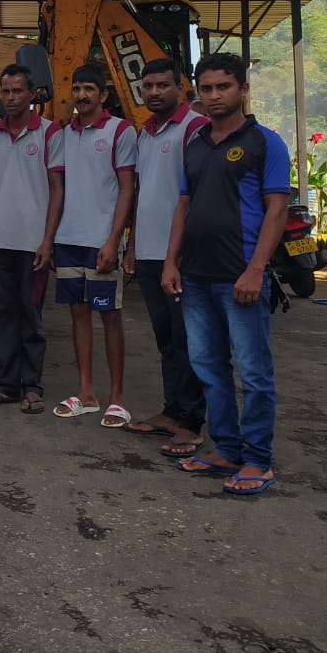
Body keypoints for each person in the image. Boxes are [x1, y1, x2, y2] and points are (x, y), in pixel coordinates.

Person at [163, 53, 289, 495]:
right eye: (206, 87)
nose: (213, 95)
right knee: (208, 368)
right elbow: (184, 205)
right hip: (195, 277)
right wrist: (171, 262)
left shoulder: (265, 143)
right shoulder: (196, 142)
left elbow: (276, 211)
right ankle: (227, 449)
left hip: (241, 278)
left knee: (253, 372)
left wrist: (256, 271)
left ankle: (258, 460)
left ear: (243, 89)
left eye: (223, 86)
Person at [123, 59, 209, 456]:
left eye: (162, 85)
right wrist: (133, 244)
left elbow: (196, 194)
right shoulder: (144, 132)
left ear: (180, 87)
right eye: (148, 86)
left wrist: (178, 255)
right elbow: (141, 191)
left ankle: (192, 422)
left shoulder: (193, 128)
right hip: (149, 252)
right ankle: (171, 411)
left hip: (183, 255)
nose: (154, 92)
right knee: (166, 340)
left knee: (190, 340)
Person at [0, 64, 64, 414]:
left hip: (32, 245)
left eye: (17, 91)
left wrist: (47, 240)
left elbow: (57, 190)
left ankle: (32, 387)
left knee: (31, 316)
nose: (10, 98)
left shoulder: (50, 134)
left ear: (31, 94)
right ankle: (7, 385)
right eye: (5, 92)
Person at [51, 64, 137, 427]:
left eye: (90, 88)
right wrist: (50, 239)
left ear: (103, 95)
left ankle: (117, 398)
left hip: (102, 241)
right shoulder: (62, 134)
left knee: (110, 315)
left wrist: (114, 240)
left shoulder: (120, 131)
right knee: (78, 313)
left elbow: (127, 188)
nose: (82, 95)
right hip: (68, 239)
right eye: (77, 88)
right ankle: (86, 393)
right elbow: (56, 190)